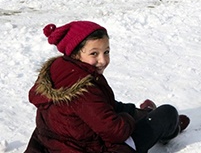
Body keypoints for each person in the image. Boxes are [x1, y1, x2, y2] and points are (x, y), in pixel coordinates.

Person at [25, 21, 190, 153]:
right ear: (76, 53)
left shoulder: (60, 71)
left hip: (56, 145)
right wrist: (128, 118)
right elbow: (116, 132)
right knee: (167, 113)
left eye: (106, 52)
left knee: (121, 111)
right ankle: (171, 129)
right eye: (94, 53)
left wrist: (137, 113)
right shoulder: (83, 90)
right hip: (97, 148)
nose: (103, 60)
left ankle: (146, 113)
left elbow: (102, 107)